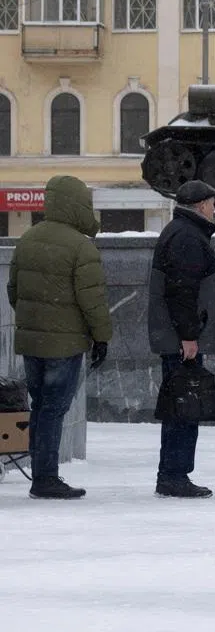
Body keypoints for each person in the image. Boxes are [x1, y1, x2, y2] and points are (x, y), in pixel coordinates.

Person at [7, 174, 111, 499]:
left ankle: (41, 473)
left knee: (40, 406)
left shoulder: (27, 239)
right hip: (64, 344)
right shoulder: (81, 247)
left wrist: (35, 321)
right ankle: (46, 478)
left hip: (32, 341)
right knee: (54, 408)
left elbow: (14, 291)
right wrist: (101, 338)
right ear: (77, 205)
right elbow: (92, 301)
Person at [148, 179, 215, 498]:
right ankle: (174, 475)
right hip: (181, 340)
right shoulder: (188, 237)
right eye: (212, 203)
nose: (214, 208)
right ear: (201, 206)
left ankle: (173, 473)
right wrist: (189, 336)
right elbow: (182, 291)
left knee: (182, 405)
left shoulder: (181, 232)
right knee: (184, 406)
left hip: (176, 336)